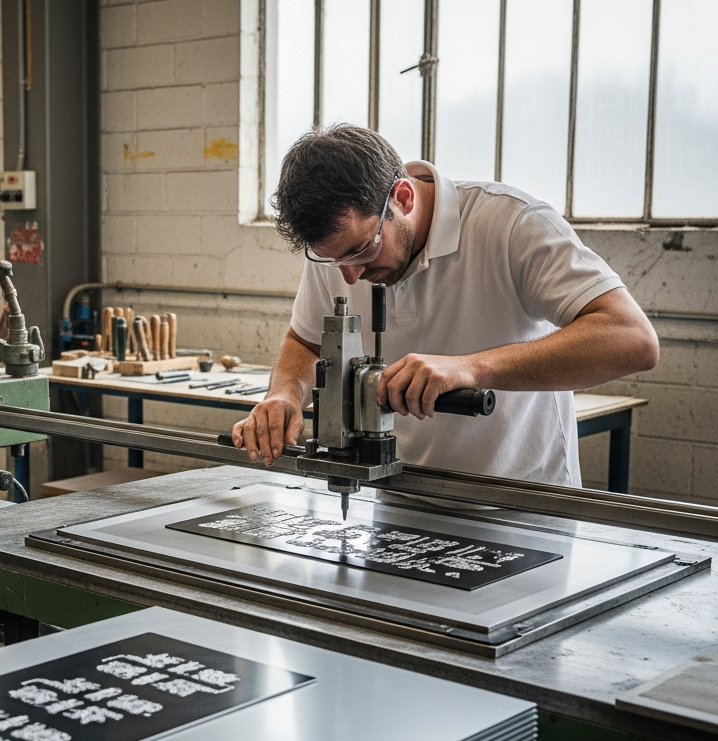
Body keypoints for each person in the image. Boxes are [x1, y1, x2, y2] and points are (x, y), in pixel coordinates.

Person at [232, 125, 659, 486]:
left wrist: (469, 368)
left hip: (519, 505)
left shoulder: (512, 225)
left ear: (402, 197)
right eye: (333, 260)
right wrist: (285, 394)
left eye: (363, 251)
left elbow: (632, 339)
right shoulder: (342, 252)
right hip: (398, 499)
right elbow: (305, 341)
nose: (349, 276)